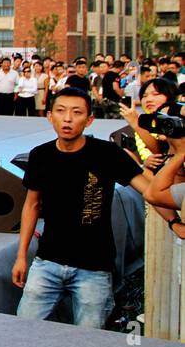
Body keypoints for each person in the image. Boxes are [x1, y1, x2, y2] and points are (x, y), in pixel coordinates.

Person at [13, 87, 154, 328]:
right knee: (22, 332)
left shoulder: (108, 154)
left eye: (76, 112)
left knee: (89, 343)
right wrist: (21, 256)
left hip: (94, 269)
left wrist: (174, 220)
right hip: (47, 263)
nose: (67, 118)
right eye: (60, 111)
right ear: (50, 116)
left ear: (89, 120)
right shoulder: (40, 156)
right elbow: (31, 205)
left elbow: (150, 191)